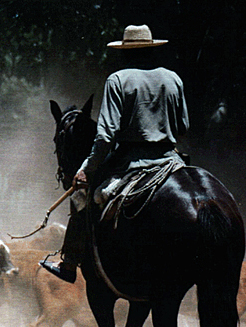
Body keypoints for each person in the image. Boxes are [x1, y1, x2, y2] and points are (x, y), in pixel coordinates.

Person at [40, 25, 190, 283]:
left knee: (82, 198)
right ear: (151, 49)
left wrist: (86, 169)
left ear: (125, 52)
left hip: (131, 162)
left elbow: (106, 135)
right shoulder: (173, 78)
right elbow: (183, 126)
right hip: (172, 160)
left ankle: (69, 262)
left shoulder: (118, 80)